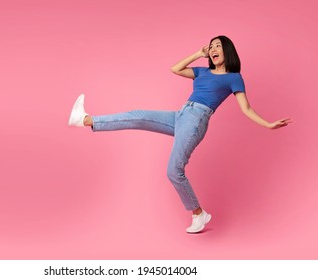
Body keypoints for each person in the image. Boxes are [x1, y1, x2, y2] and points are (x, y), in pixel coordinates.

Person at [68, 35, 292, 234]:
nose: (213, 49)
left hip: (196, 121)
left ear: (227, 51)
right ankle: (86, 120)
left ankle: (198, 213)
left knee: (174, 171)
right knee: (137, 115)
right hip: (181, 114)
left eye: (218, 46)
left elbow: (246, 108)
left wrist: (268, 124)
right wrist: (197, 53)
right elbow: (175, 69)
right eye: (211, 46)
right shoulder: (202, 71)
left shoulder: (234, 77)